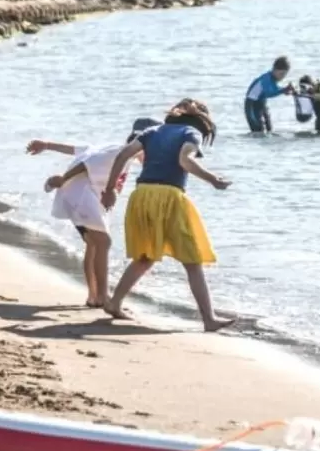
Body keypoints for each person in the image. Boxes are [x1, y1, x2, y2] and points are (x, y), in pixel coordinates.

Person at [100, 100, 235, 332]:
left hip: (141, 194)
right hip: (169, 196)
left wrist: (110, 188)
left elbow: (123, 155)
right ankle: (209, 319)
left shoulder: (152, 131)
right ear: (202, 123)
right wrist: (213, 179)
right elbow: (185, 160)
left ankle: (114, 302)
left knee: (145, 256)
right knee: (192, 261)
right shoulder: (192, 133)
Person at [27, 117, 160, 309]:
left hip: (82, 198)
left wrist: (47, 145)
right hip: (80, 196)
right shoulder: (118, 152)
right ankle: (104, 297)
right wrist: (63, 179)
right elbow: (86, 163)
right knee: (103, 242)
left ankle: (94, 296)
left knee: (93, 244)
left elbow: (78, 150)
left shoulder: (117, 150)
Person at [244, 56, 294, 133]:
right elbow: (269, 93)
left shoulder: (273, 79)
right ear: (274, 69)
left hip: (262, 104)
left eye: (284, 75)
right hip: (251, 106)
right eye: (281, 74)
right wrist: (283, 90)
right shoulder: (266, 78)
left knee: (269, 130)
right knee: (258, 130)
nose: (282, 77)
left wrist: (285, 90)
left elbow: (275, 89)